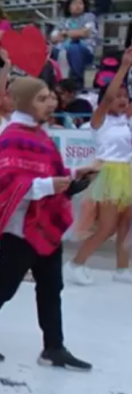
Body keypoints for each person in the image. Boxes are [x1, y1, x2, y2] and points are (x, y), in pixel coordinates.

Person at [0, 76, 96, 371]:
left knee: (51, 286)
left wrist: (74, 176)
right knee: (6, 285)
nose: (50, 103)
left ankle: (54, 347)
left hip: (44, 223)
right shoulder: (12, 137)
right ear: (24, 101)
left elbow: (48, 174)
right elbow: (9, 183)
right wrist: (53, 184)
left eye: (49, 97)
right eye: (42, 98)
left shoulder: (39, 135)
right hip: (19, 228)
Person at [66, 49, 132, 284]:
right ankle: (76, 263)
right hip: (110, 174)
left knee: (126, 224)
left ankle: (122, 269)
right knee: (107, 227)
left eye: (125, 96)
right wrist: (123, 67)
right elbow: (107, 98)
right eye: (118, 96)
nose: (122, 99)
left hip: (128, 173)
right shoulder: (99, 120)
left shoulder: (126, 120)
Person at [50, 0, 98, 84]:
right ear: (69, 7)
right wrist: (74, 34)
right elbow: (54, 38)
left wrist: (65, 33)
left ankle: (77, 81)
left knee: (74, 48)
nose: (78, 6)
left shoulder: (89, 17)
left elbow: (84, 33)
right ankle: (58, 81)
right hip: (64, 50)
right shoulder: (63, 20)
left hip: (85, 51)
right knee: (54, 49)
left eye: (81, 3)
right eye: (75, 3)